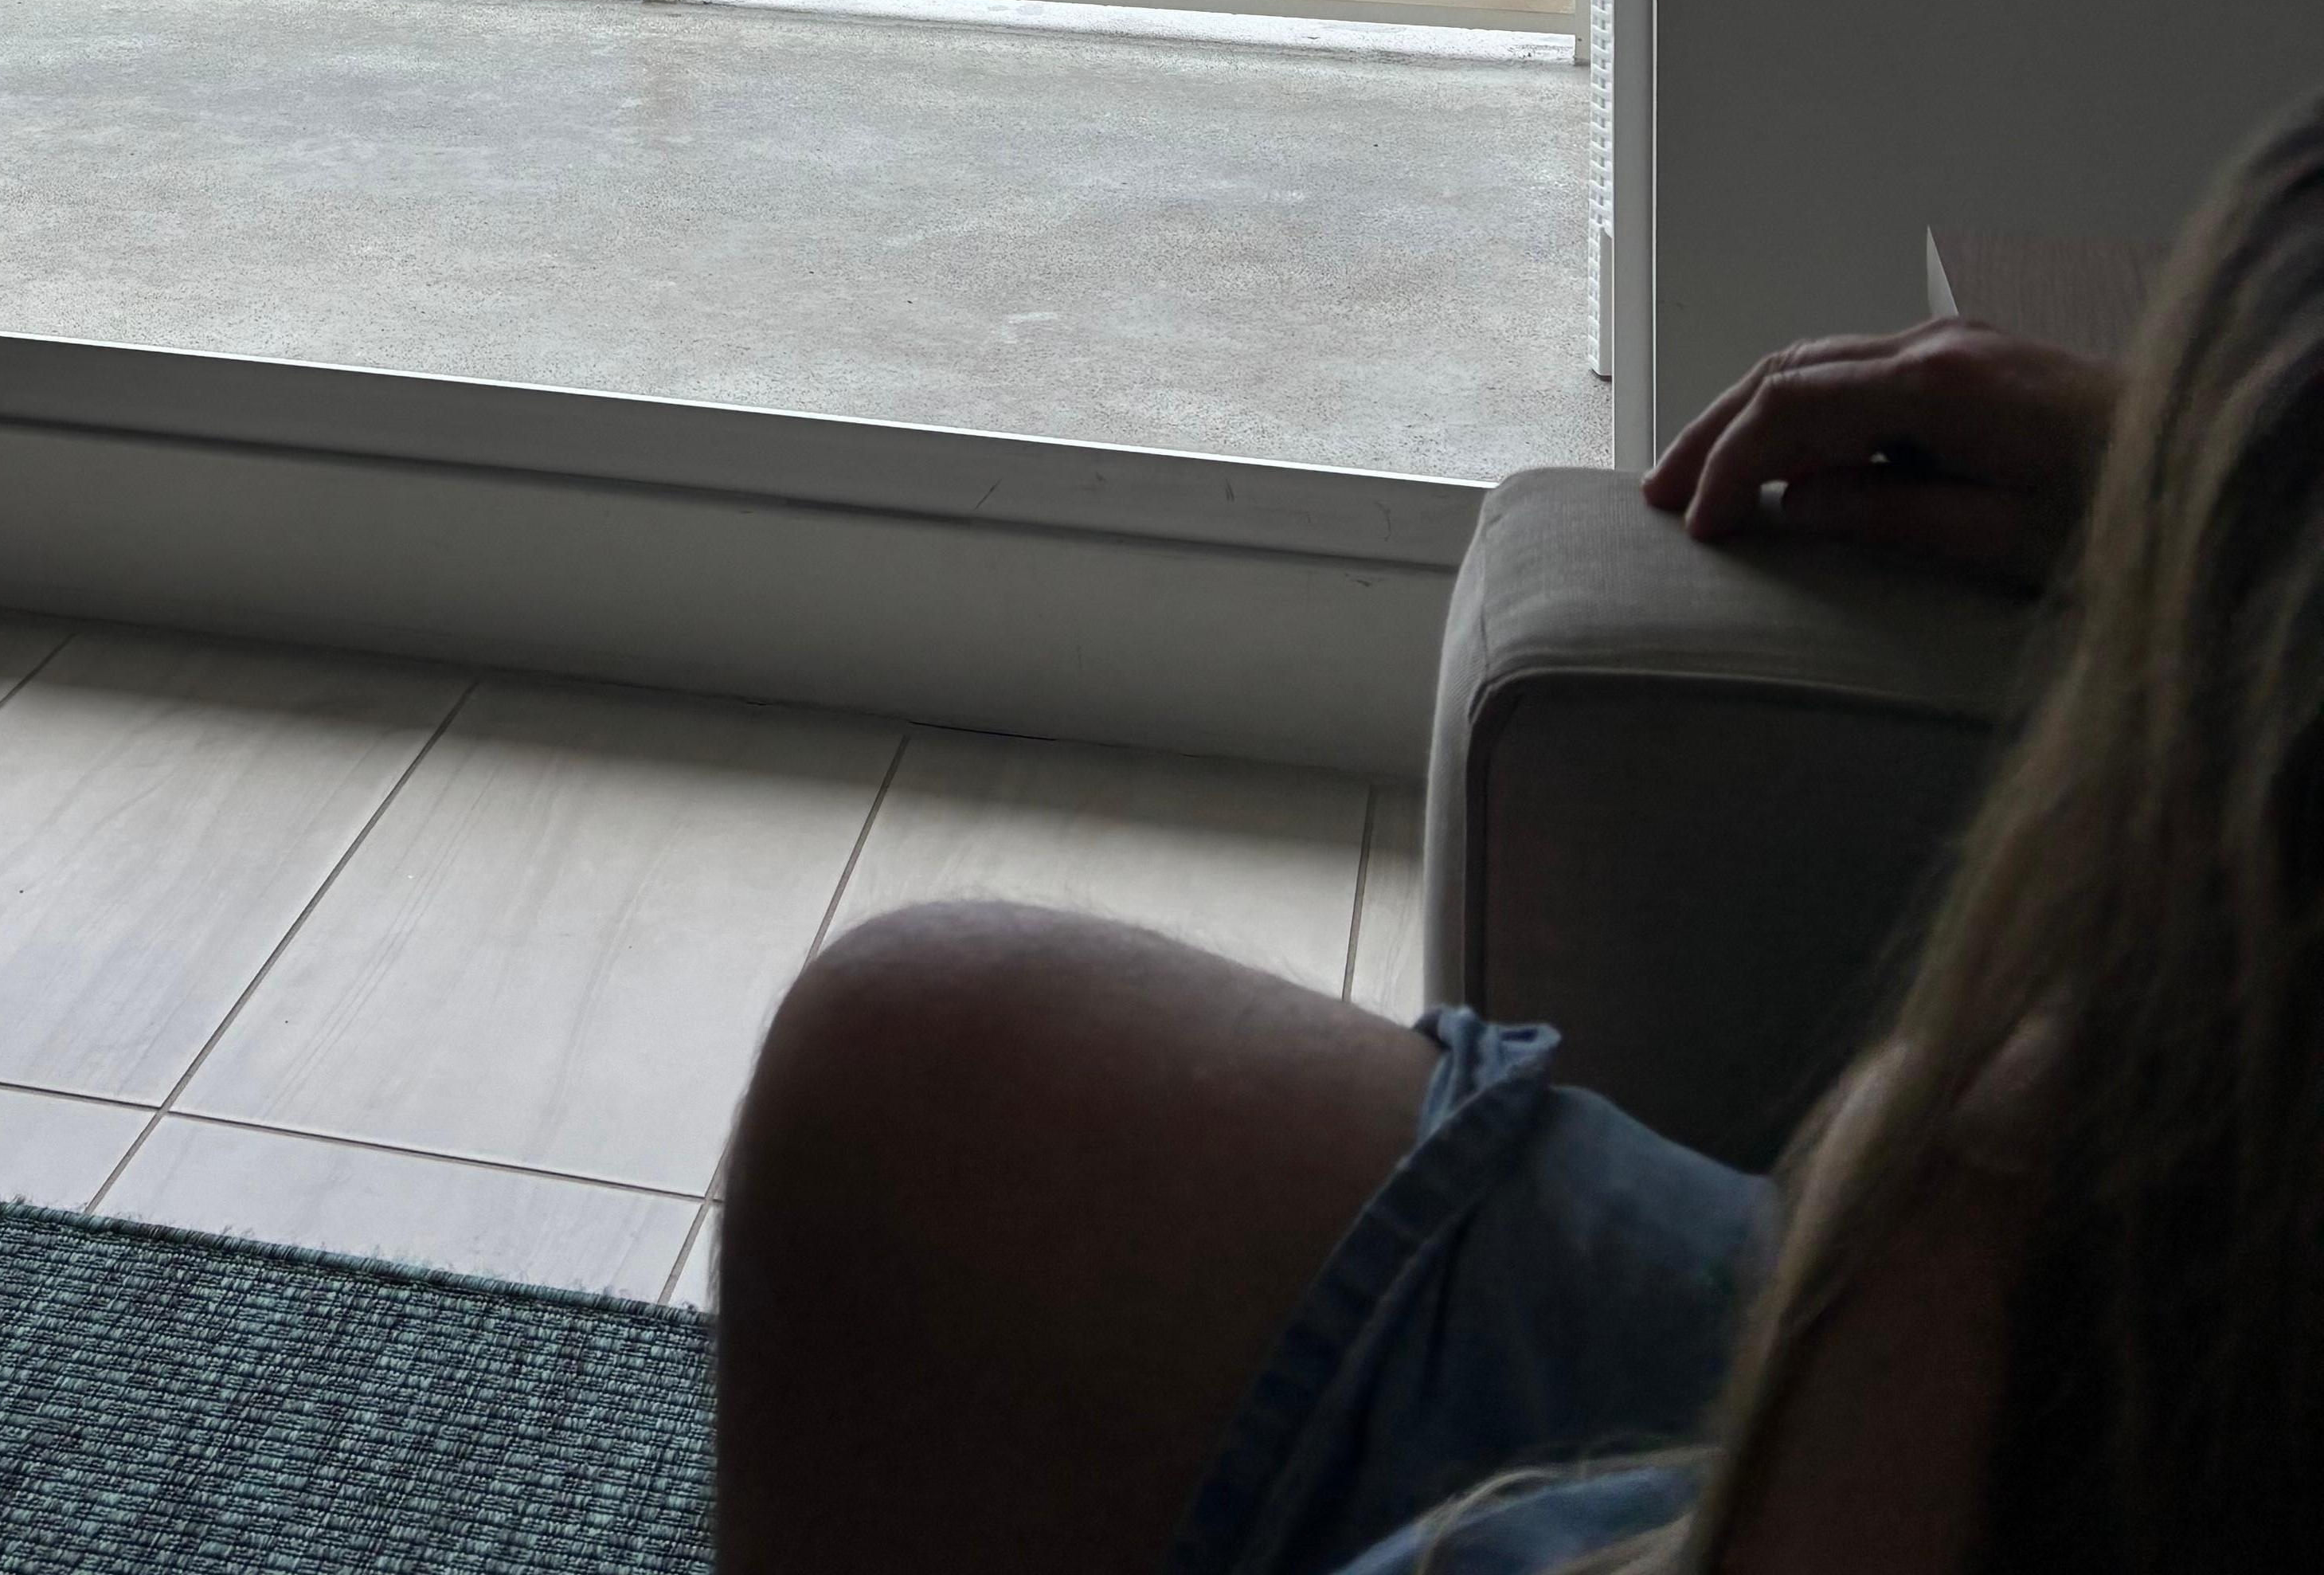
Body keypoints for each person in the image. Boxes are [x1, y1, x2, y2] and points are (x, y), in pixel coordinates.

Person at [716, 96, 2324, 1574]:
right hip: (2072, 1306)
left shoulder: (1967, 1239)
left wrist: (1947, 1213)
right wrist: (2213, 482)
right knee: (915, 1056)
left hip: (2120, 1386)